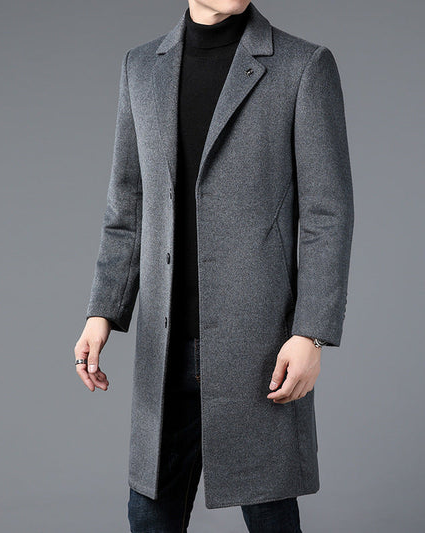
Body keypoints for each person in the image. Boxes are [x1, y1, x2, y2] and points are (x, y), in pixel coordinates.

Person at [74, 1, 354, 531]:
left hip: (261, 351)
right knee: (150, 518)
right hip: (164, 352)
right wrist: (101, 312)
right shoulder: (142, 68)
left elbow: (327, 214)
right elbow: (127, 206)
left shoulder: (302, 65)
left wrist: (311, 334)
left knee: (271, 516)